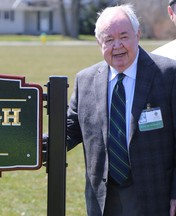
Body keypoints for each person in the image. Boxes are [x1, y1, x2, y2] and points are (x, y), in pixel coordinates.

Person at [66, 4, 176, 216]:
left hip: (155, 197)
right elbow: (71, 129)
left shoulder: (169, 75)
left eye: (124, 36)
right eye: (108, 40)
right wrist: (34, 145)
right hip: (105, 200)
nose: (117, 46)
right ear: (99, 42)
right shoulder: (85, 80)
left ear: (138, 35)